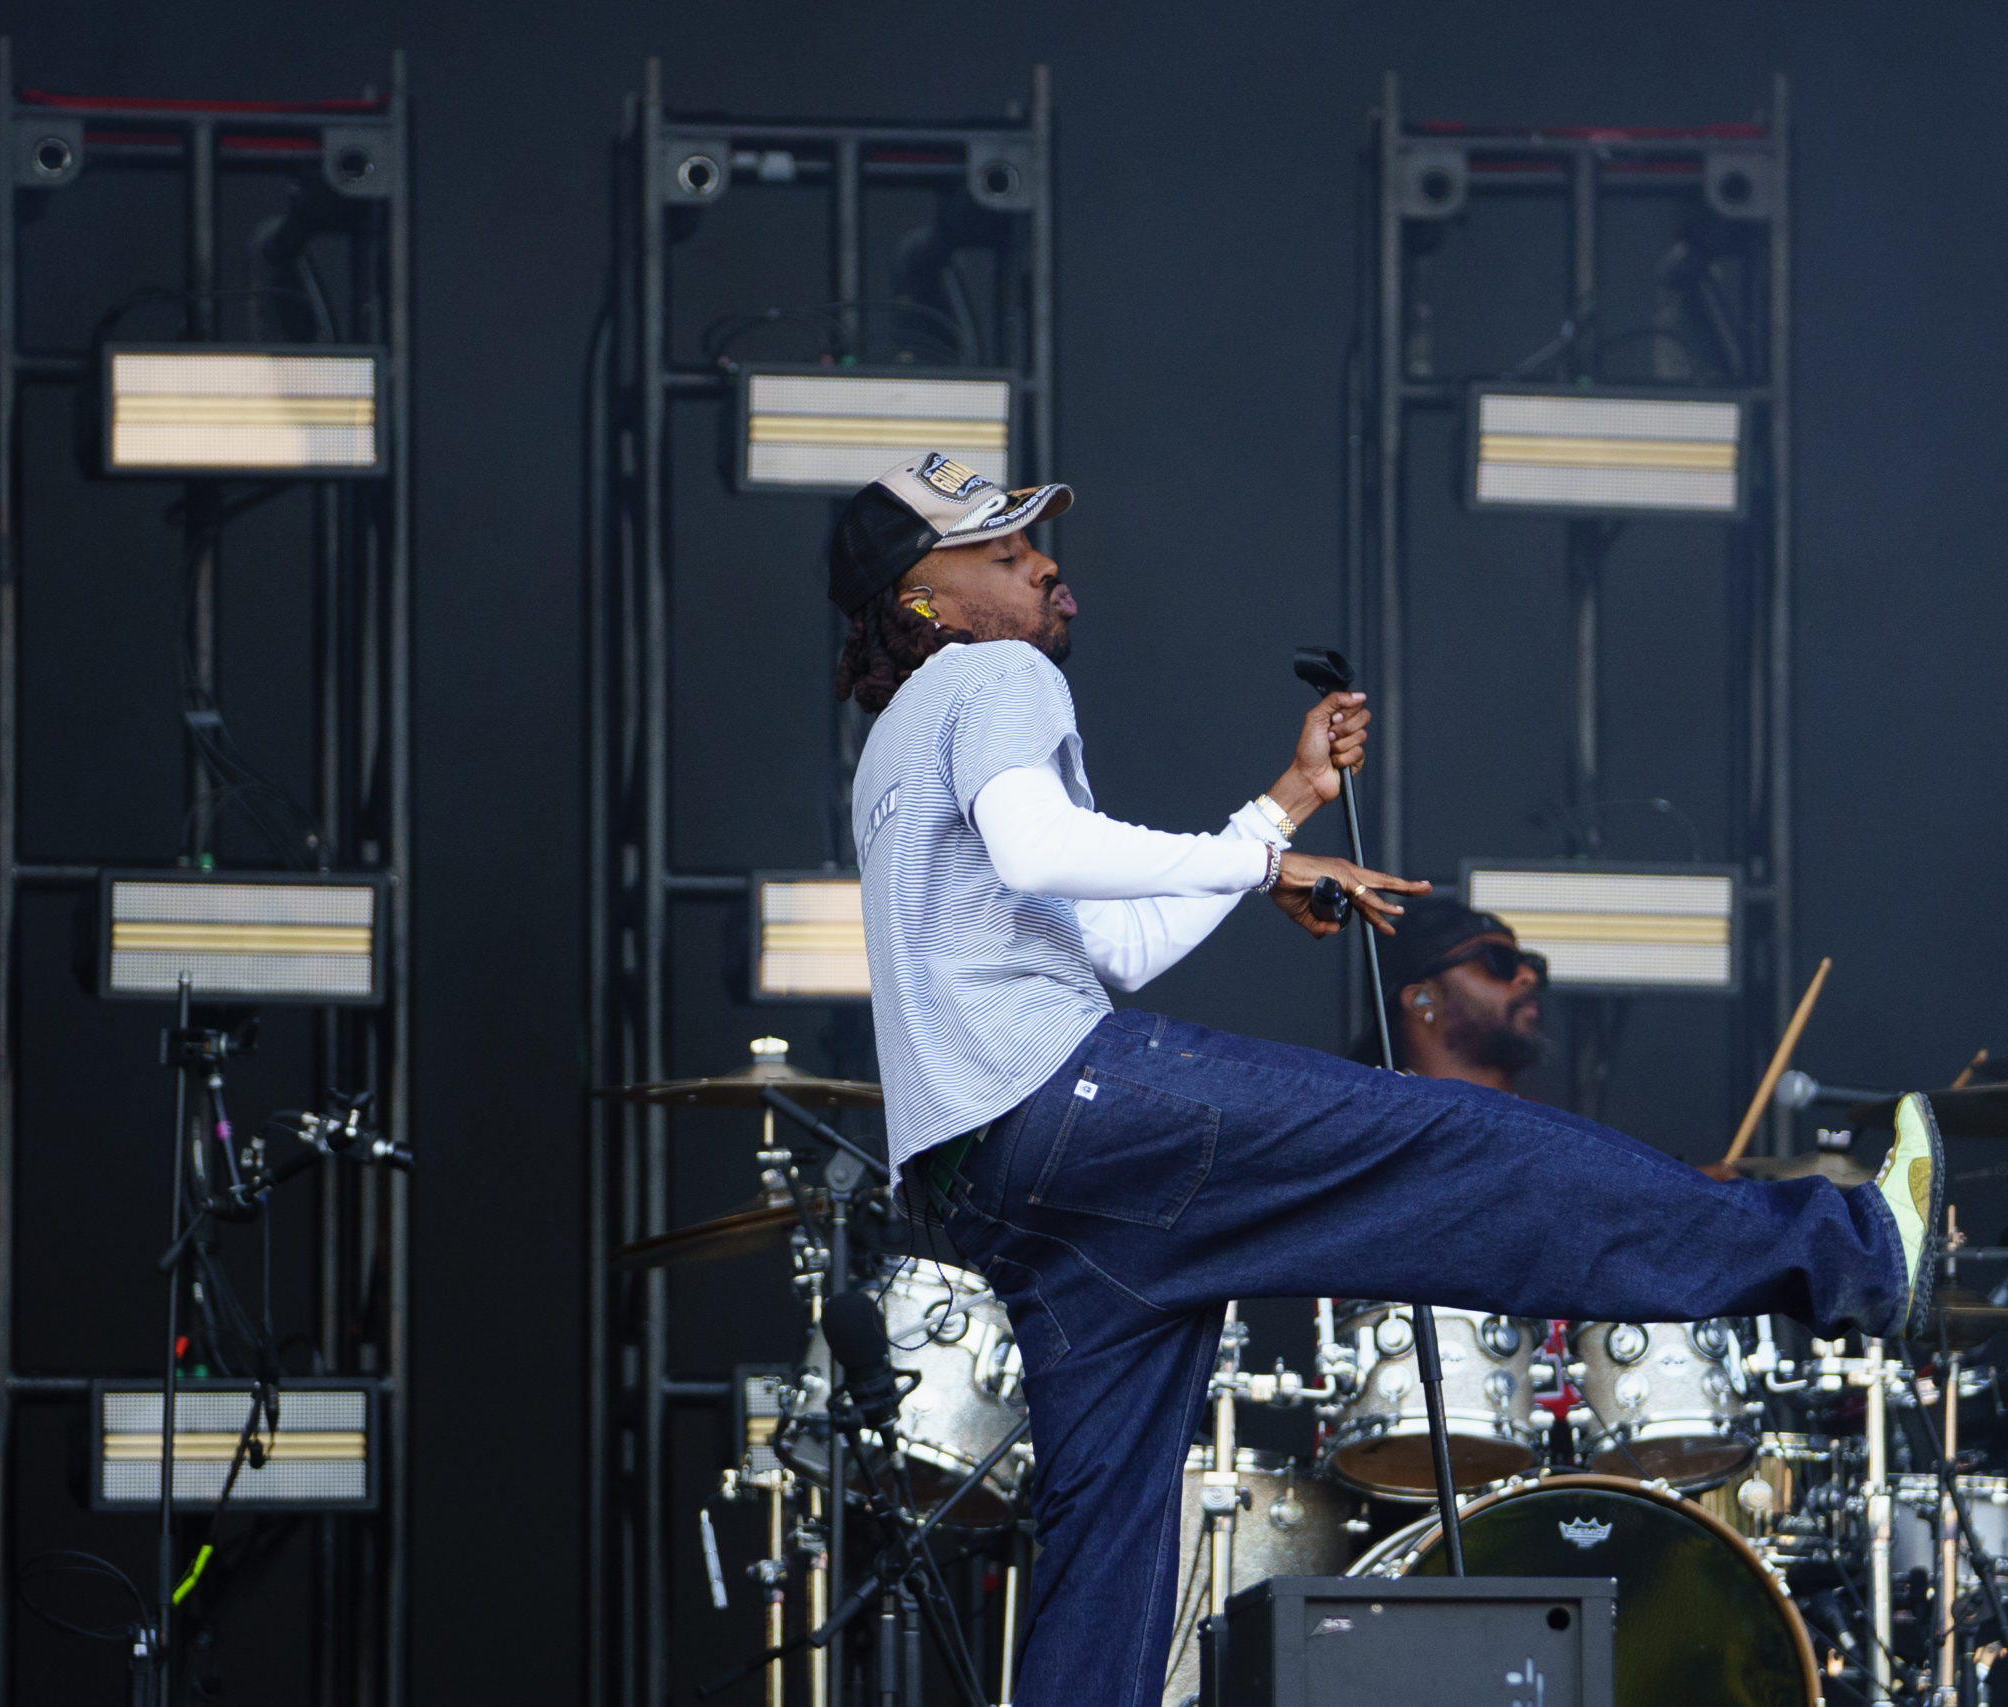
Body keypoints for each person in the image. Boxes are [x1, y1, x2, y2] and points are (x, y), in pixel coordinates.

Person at [827, 450, 1945, 1707]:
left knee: (1107, 1541)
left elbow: (1109, 948)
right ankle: (1855, 1253)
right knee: (1465, 1154)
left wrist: (1280, 812)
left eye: (1035, 543)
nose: (1043, 567)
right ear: (922, 600)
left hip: (996, 1185)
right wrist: (1268, 870)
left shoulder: (888, 752)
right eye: (1001, 551)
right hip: (1066, 1108)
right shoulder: (991, 673)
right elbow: (1041, 852)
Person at [1372, 900, 1547, 1090]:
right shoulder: (1370, 1106)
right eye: (1500, 960)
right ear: (1421, 1000)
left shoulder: (1550, 1111)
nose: (1529, 976)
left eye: (1530, 963)